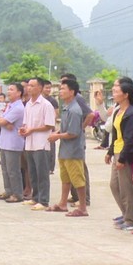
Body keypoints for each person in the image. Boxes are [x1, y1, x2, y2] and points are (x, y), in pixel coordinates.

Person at [46, 79, 88, 217]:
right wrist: (58, 133)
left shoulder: (75, 110)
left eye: (63, 89)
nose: (61, 91)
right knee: (65, 178)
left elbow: (73, 133)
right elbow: (66, 129)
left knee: (78, 179)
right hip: (65, 150)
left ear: (72, 91)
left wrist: (57, 137)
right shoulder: (66, 108)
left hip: (73, 151)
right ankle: (62, 203)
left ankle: (82, 207)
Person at [105, 78, 133, 231]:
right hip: (117, 150)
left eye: (117, 92)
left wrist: (123, 158)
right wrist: (110, 151)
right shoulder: (119, 111)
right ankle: (126, 214)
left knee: (126, 187)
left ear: (125, 95)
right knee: (114, 185)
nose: (114, 94)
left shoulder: (132, 113)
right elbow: (116, 134)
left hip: (125, 153)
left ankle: (131, 219)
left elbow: (131, 138)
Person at [19, 78, 55, 211]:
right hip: (30, 143)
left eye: (33, 86)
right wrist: (23, 129)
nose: (29, 88)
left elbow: (49, 125)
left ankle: (44, 200)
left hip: (41, 143)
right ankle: (35, 197)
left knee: (42, 173)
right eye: (28, 86)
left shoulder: (46, 105)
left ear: (40, 88)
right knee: (32, 172)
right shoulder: (28, 104)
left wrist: (32, 129)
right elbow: (26, 123)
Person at [0, 83, 25, 203]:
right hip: (5, 141)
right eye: (8, 89)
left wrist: (3, 122)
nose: (9, 92)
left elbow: (3, 121)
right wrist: (3, 122)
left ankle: (17, 193)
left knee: (13, 170)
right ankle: (8, 190)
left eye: (12, 90)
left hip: (13, 142)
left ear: (19, 93)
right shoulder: (9, 105)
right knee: (5, 168)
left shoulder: (18, 107)